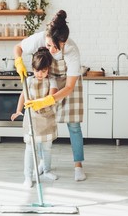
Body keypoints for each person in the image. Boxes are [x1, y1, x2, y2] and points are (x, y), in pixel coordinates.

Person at [14, 10, 86, 181]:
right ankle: (42, 164)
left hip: (68, 84)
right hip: (46, 80)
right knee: (41, 123)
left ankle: (78, 167)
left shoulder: (72, 50)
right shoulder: (40, 38)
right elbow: (18, 48)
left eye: (56, 47)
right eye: (48, 46)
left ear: (64, 42)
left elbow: (69, 86)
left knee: (74, 126)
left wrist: (48, 100)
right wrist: (19, 61)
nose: (52, 50)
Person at [11, 47, 59, 188]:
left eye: (43, 71)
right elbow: (23, 95)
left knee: (47, 148)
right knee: (30, 149)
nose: (40, 74)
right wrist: (18, 110)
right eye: (37, 70)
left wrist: (43, 102)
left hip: (47, 119)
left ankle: (46, 170)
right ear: (33, 68)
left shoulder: (52, 80)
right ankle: (28, 176)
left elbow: (52, 96)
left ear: (48, 69)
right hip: (31, 119)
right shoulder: (28, 80)